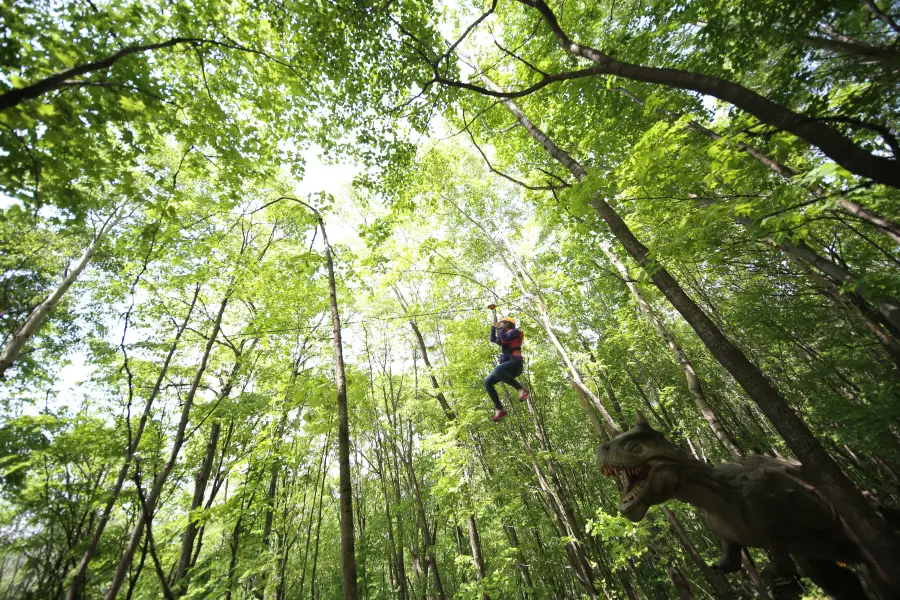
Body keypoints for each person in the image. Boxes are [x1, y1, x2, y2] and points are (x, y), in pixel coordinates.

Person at [485, 315, 529, 421]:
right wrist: (493, 326)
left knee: (497, 370)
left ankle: (521, 389)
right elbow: (493, 339)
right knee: (487, 381)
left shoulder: (515, 332)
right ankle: (499, 409)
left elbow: (504, 339)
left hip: (515, 364)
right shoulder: (505, 336)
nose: (501, 325)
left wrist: (499, 328)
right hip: (508, 369)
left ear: (508, 324)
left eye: (503, 323)